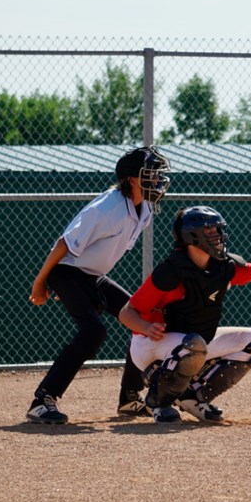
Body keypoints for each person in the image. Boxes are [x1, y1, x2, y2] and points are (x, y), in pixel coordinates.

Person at [26, 146, 171, 424]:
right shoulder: (108, 207)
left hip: (91, 275)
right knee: (93, 330)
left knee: (140, 318)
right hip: (67, 270)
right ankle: (42, 400)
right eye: (150, 174)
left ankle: (129, 398)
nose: (157, 180)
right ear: (131, 179)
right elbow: (64, 243)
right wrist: (40, 282)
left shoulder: (144, 210)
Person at [118, 206, 251, 423]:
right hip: (151, 344)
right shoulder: (171, 272)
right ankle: (159, 400)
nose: (218, 236)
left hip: (191, 342)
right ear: (191, 236)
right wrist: (146, 327)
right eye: (210, 231)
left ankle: (193, 396)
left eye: (218, 230)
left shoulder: (222, 267)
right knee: (194, 345)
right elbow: (127, 312)